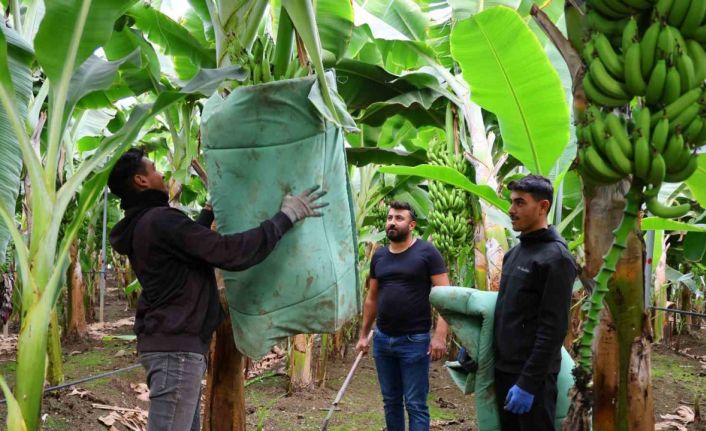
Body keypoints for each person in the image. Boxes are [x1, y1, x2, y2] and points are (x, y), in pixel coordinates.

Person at [108, 148, 326, 431]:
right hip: (177, 348)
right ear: (141, 181)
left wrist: (206, 214)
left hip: (170, 344)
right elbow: (229, 253)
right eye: (154, 168)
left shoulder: (144, 224)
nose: (162, 173)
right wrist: (285, 217)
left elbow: (184, 254)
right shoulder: (160, 220)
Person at [355, 201, 450, 431]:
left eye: (399, 218)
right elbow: (372, 298)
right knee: (391, 402)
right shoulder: (379, 256)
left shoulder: (427, 253)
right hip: (383, 339)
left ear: (412, 225)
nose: (392, 222)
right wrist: (363, 335)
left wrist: (439, 336)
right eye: (389, 218)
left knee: (415, 404)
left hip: (414, 340)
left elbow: (447, 297)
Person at [493, 175, 576, 431]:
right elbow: (506, 311)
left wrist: (528, 383)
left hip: (532, 380)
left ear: (543, 207)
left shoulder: (556, 258)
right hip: (504, 371)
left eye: (520, 203)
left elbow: (553, 328)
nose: (511, 210)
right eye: (511, 202)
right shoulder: (514, 253)